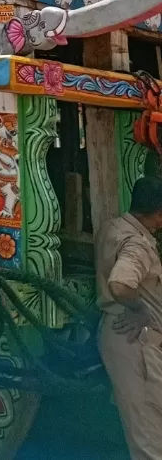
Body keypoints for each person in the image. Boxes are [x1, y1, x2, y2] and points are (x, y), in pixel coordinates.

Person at [95, 175, 162, 460]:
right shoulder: (137, 245)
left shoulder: (114, 227)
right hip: (135, 340)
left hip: (119, 333)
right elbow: (121, 285)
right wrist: (140, 310)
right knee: (150, 438)